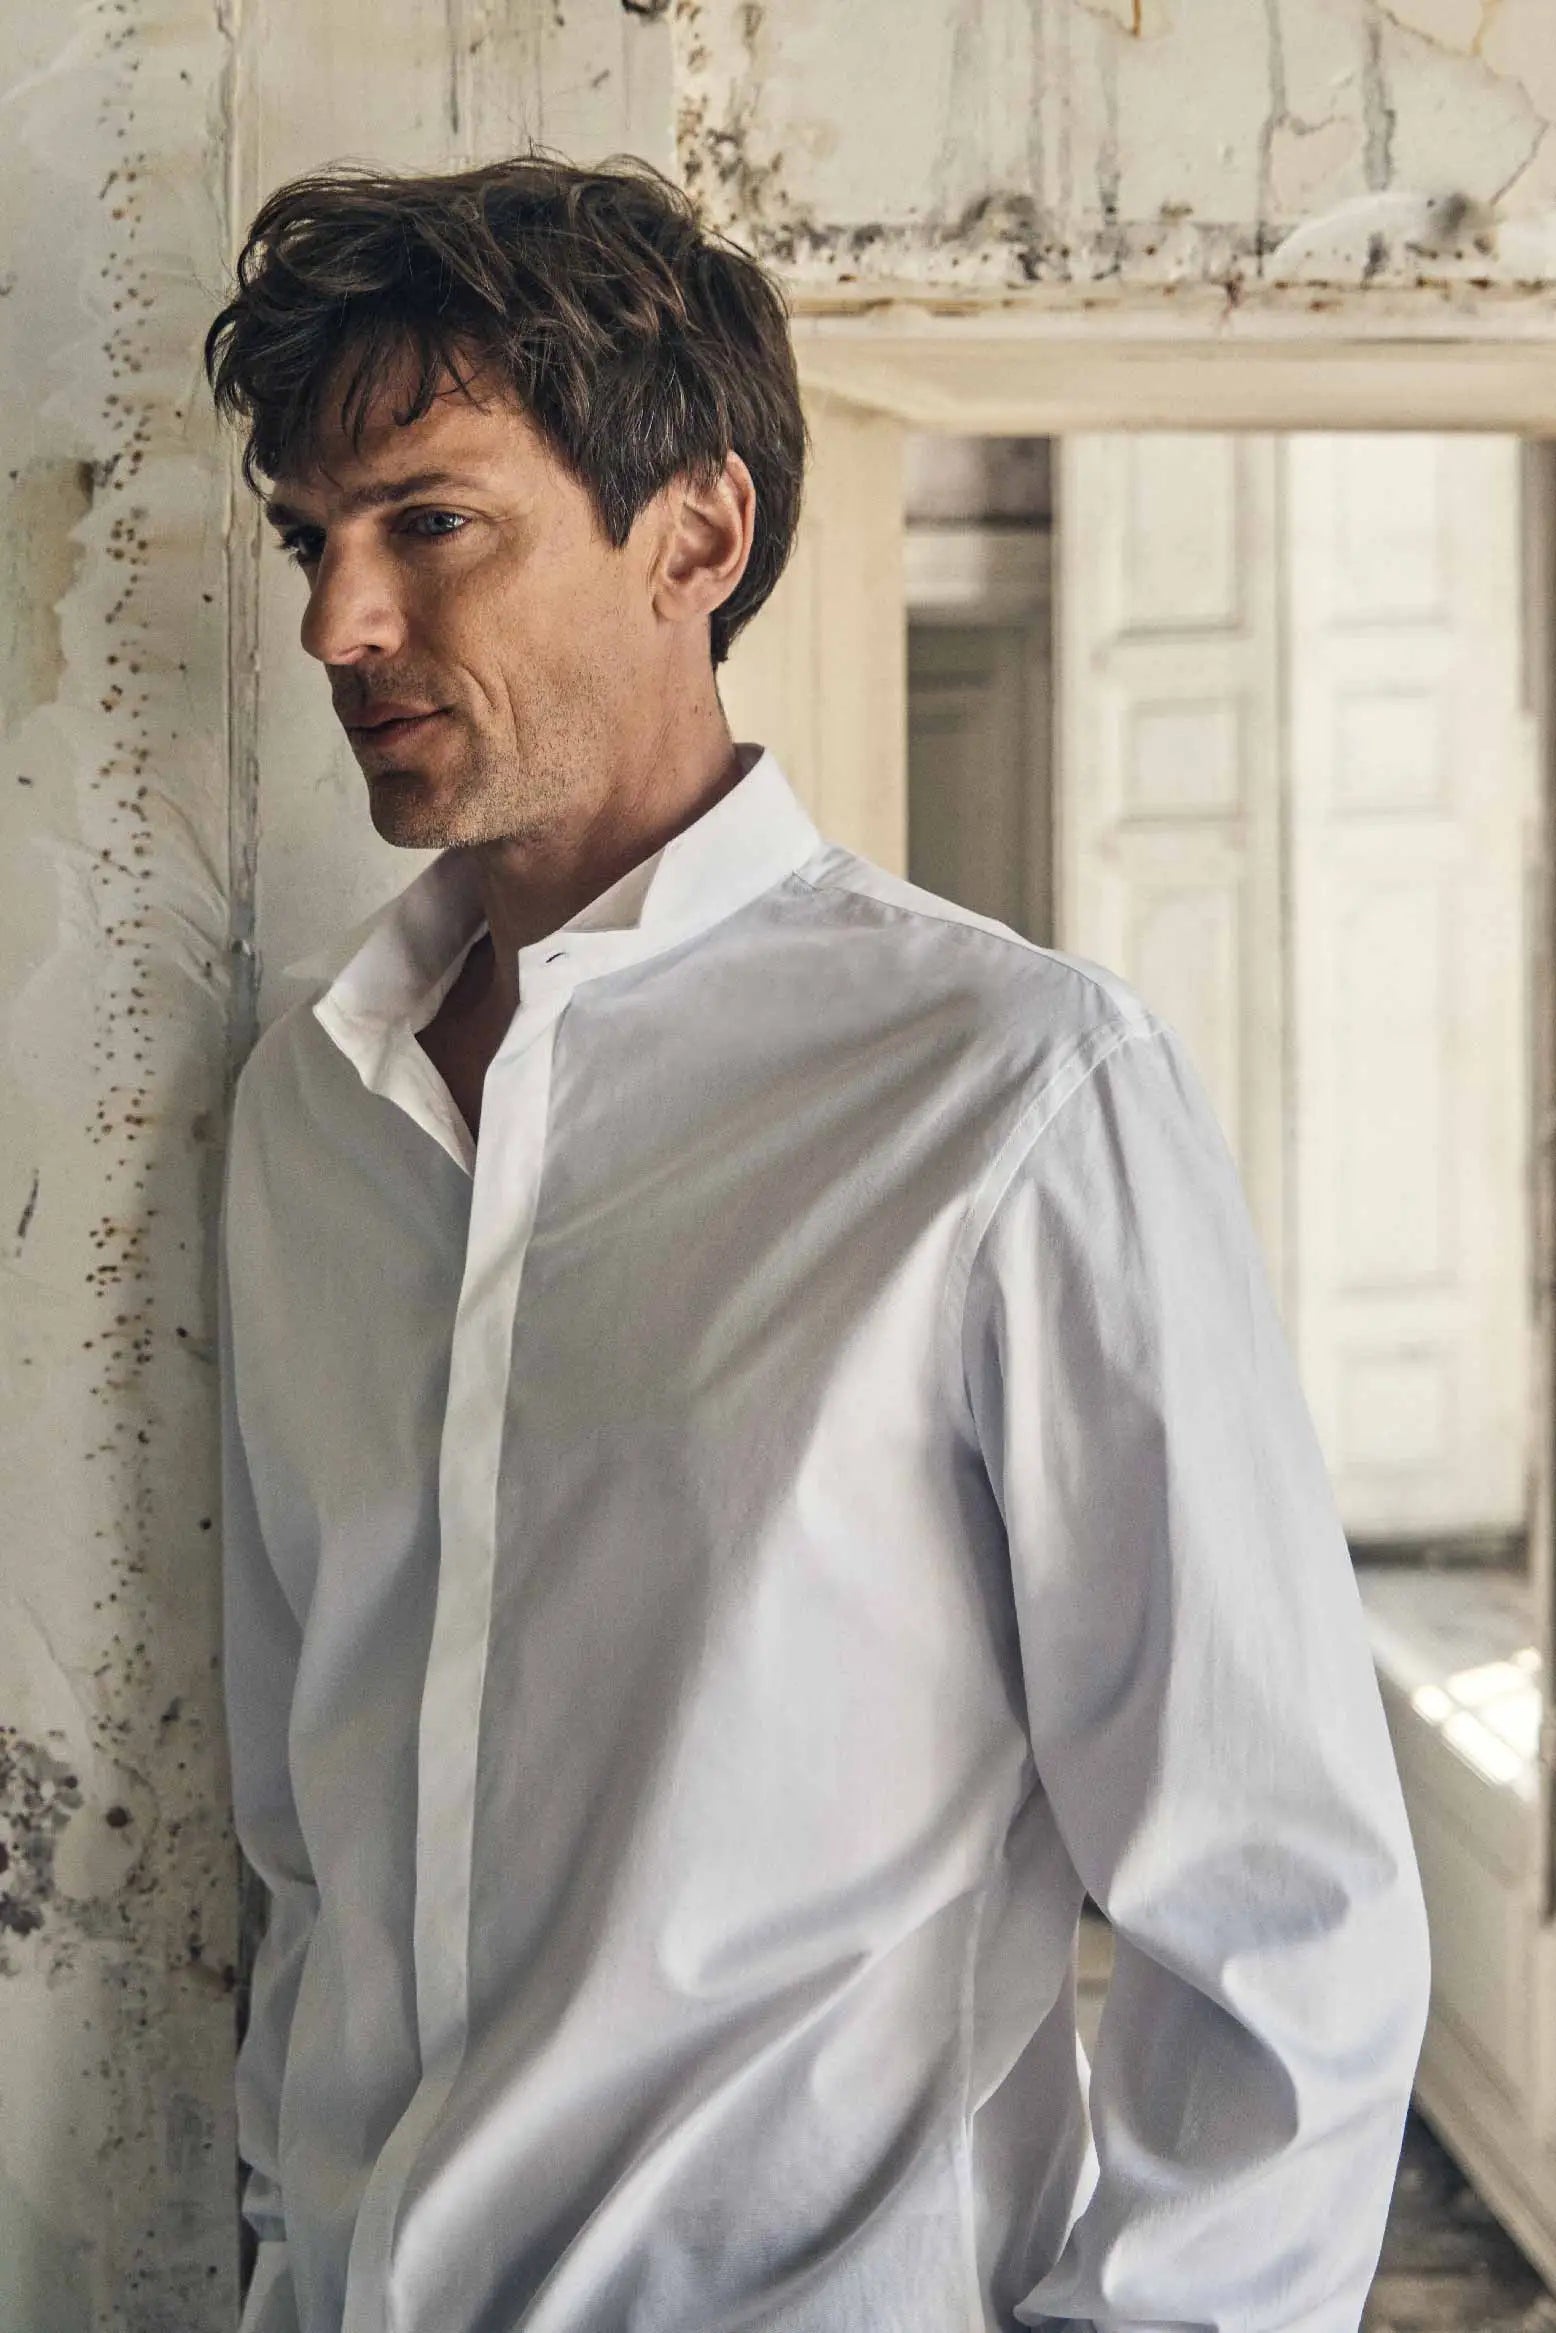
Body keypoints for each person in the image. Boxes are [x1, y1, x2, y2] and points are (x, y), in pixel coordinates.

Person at [207, 153, 1431, 2333]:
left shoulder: (1012, 1091)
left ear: (696, 535)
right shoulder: (311, 1115)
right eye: (314, 539)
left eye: (430, 522)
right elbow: (312, 1848)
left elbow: (1279, 1906)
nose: (335, 624)